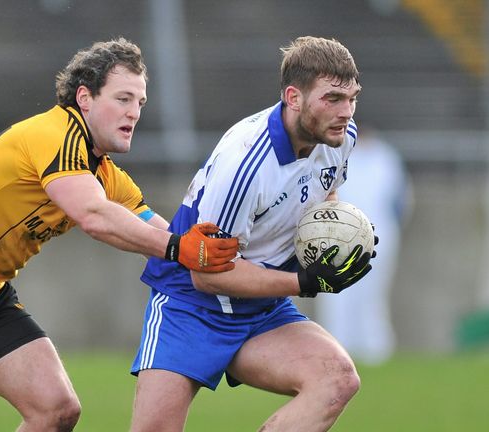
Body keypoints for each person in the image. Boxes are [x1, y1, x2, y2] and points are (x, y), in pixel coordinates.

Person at [0, 38, 239, 432]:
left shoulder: (105, 174)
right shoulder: (56, 134)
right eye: (123, 99)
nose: (134, 113)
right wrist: (180, 248)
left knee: (56, 411)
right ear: (85, 98)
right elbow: (94, 216)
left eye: (140, 102)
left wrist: (227, 258)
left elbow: (157, 234)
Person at [129, 36, 374, 432]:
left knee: (337, 379)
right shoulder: (245, 163)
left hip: (260, 308)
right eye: (332, 98)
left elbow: (325, 193)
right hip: (190, 305)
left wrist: (341, 236)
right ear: (294, 97)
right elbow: (206, 274)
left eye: (352, 98)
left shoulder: (341, 138)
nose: (346, 112)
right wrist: (303, 282)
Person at [315, 127, 411, 365]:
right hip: (336, 237)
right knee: (335, 295)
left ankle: (375, 350)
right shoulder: (332, 155)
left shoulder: (386, 159)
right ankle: (336, 349)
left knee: (371, 295)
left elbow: (400, 203)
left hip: (379, 236)